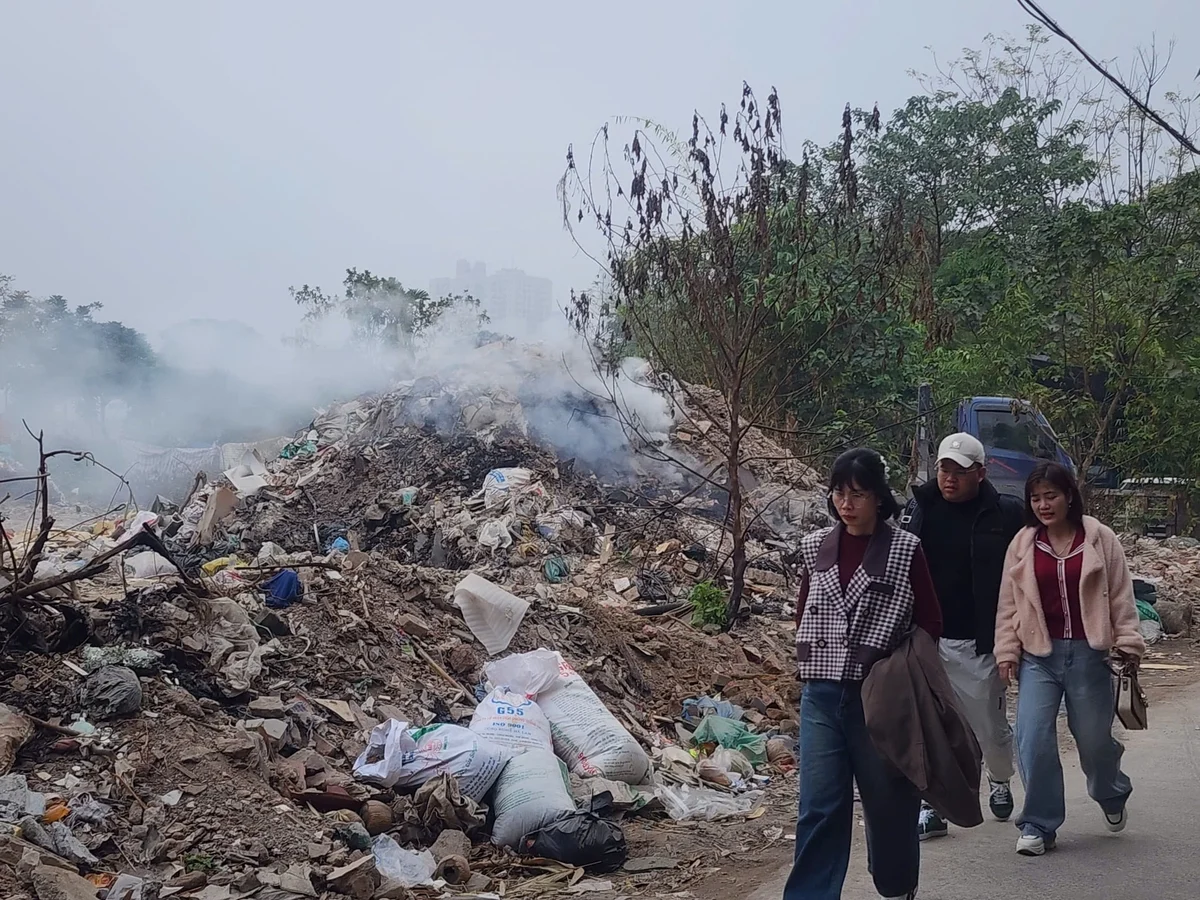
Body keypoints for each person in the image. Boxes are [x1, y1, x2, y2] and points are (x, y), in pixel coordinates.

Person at [784, 448, 942, 900]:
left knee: (888, 800)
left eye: (858, 493)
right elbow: (804, 610)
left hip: (880, 695)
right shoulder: (815, 546)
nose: (846, 502)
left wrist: (902, 674)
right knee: (819, 806)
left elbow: (930, 621)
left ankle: (896, 885)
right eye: (839, 492)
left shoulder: (906, 549)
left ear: (878, 497)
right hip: (821, 693)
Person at [994, 461, 1145, 856]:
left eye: (1051, 496)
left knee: (1094, 742)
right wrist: (1006, 651)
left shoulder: (1099, 538)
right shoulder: (1024, 543)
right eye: (1036, 498)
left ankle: (1111, 792)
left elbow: (1119, 595)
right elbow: (1009, 604)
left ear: (1069, 497)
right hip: (1038, 657)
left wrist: (1128, 641)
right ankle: (1039, 824)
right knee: (1032, 738)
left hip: (1089, 655)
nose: (1044, 504)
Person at [900, 433, 1024, 839]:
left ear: (980, 473)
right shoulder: (919, 508)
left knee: (987, 725)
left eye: (959, 471)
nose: (949, 478)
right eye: (944, 469)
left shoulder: (1004, 514)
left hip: (977, 640)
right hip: (927, 639)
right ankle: (933, 808)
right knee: (931, 726)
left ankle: (1000, 778)